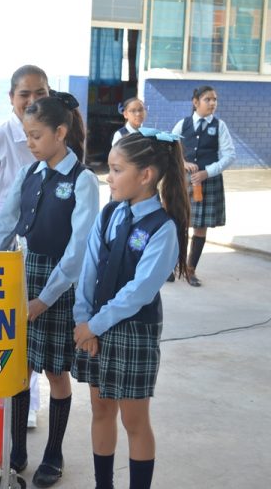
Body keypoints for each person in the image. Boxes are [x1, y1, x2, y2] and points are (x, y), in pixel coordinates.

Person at [0, 92, 99, 488]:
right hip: (23, 277)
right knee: (20, 370)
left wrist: (44, 299)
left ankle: (53, 452)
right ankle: (16, 449)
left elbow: (78, 251)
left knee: (55, 372)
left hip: (57, 286)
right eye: (26, 135)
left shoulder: (83, 181)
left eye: (36, 136)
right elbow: (7, 223)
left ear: (61, 132)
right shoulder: (29, 173)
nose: (30, 143)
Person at [72, 129, 190, 489]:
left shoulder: (162, 228)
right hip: (93, 326)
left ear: (146, 175)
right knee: (101, 410)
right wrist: (82, 320)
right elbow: (88, 268)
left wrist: (95, 324)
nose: (109, 177)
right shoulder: (109, 215)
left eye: (117, 169)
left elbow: (139, 291)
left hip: (132, 330)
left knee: (134, 422)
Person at [0, 64, 50, 428]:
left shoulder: (55, 141)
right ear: (11, 99)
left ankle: (27, 405)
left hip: (37, 255)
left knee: (27, 333)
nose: (32, 101)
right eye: (25, 94)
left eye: (40, 94)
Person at [171, 85, 235, 286]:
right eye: (208, 99)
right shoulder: (183, 124)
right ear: (195, 102)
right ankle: (172, 267)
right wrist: (182, 162)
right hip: (183, 181)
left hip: (208, 182)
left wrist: (208, 172)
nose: (213, 103)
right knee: (178, 224)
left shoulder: (220, 126)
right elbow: (169, 149)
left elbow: (230, 155)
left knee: (200, 227)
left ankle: (190, 270)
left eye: (215, 99)